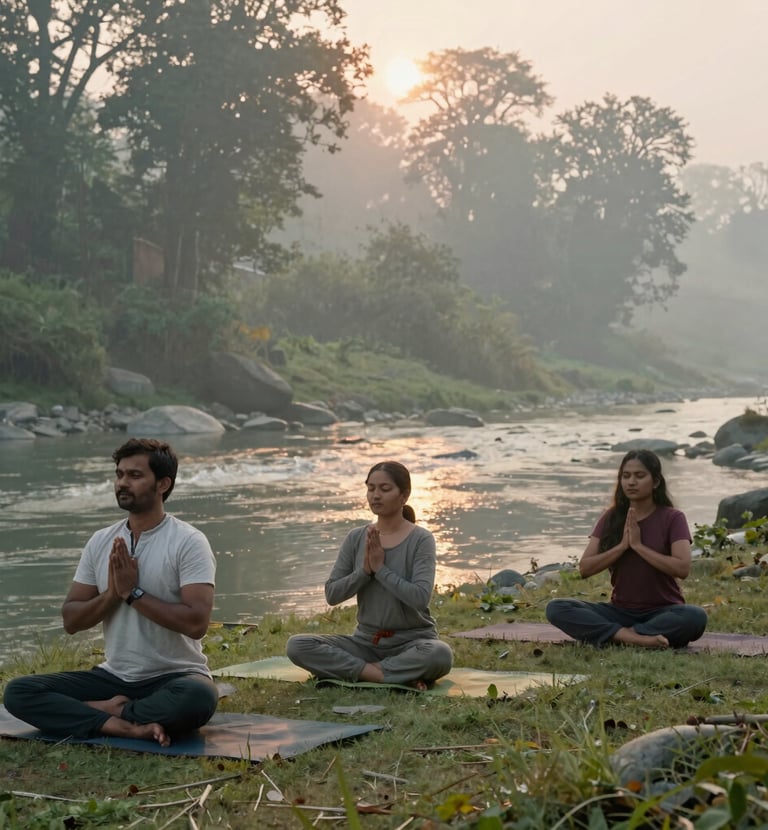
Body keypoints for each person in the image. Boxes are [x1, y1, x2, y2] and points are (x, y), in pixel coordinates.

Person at [3, 438, 218, 746]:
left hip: (174, 676)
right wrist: (112, 596)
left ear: (163, 484)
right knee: (19, 692)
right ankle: (124, 723)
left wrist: (133, 594)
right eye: (119, 474)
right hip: (113, 678)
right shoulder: (101, 541)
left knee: (198, 698)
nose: (122, 483)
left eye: (135, 475)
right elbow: (71, 620)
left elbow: (196, 623)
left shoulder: (189, 542)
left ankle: (100, 713)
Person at [286, 460, 453, 690]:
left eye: (385, 489)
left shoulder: (421, 539)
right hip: (365, 643)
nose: (375, 495)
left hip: (413, 644)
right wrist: (364, 572)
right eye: (370, 488)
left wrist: (381, 570)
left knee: (440, 654)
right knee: (298, 645)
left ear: (404, 495)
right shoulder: (356, 538)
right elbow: (332, 594)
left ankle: (362, 671)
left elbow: (420, 598)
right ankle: (386, 674)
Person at [545, 449, 707, 649]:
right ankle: (636, 639)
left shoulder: (673, 518)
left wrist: (638, 546)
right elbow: (585, 568)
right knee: (557, 608)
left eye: (639, 476)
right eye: (626, 476)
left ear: (655, 481)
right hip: (619, 612)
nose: (631, 482)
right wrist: (622, 546)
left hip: (663, 612)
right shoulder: (611, 517)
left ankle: (618, 635)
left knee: (695, 617)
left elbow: (682, 568)